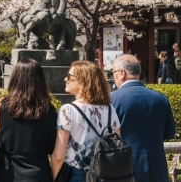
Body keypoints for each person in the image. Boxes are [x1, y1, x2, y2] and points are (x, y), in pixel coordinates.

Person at [0, 58, 57, 182]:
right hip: (38, 175)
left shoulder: (1, 105)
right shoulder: (48, 109)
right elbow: (51, 147)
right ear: (40, 80)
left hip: (5, 173)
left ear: (15, 78)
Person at [51, 60, 121, 182]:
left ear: (83, 81)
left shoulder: (68, 110)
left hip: (77, 173)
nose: (65, 79)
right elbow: (117, 142)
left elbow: (58, 156)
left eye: (69, 76)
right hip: (105, 173)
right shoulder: (110, 109)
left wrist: (52, 177)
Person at [111, 54, 175, 182]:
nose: (113, 76)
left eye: (113, 72)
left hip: (124, 167)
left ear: (122, 73)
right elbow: (170, 132)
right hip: (157, 167)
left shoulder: (111, 99)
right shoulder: (160, 98)